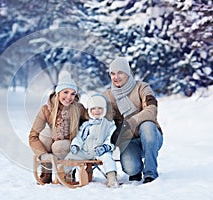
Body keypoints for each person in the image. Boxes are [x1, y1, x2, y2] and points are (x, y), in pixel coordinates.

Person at [102, 56, 163, 184]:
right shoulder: (108, 95)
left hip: (151, 135)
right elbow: (104, 119)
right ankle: (136, 169)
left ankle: (150, 173)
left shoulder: (142, 87)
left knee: (146, 125)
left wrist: (129, 123)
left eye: (120, 73)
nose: (116, 77)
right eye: (112, 74)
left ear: (128, 73)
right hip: (129, 139)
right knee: (130, 168)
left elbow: (151, 110)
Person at [29, 70, 89, 184]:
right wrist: (43, 155)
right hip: (54, 142)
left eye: (72, 94)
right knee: (45, 134)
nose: (69, 97)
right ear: (58, 93)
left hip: (70, 146)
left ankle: (67, 173)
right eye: (65, 92)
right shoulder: (47, 109)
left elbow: (93, 122)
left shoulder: (78, 108)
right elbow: (33, 136)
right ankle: (46, 172)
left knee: (59, 145)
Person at [64, 94, 118, 187]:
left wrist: (105, 147)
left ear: (104, 110)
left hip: (100, 151)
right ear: (89, 110)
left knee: (107, 158)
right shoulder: (86, 125)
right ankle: (67, 175)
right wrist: (76, 145)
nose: (96, 111)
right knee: (70, 156)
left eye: (99, 108)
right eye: (93, 109)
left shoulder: (109, 124)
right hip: (86, 151)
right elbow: (79, 137)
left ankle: (111, 177)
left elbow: (111, 138)